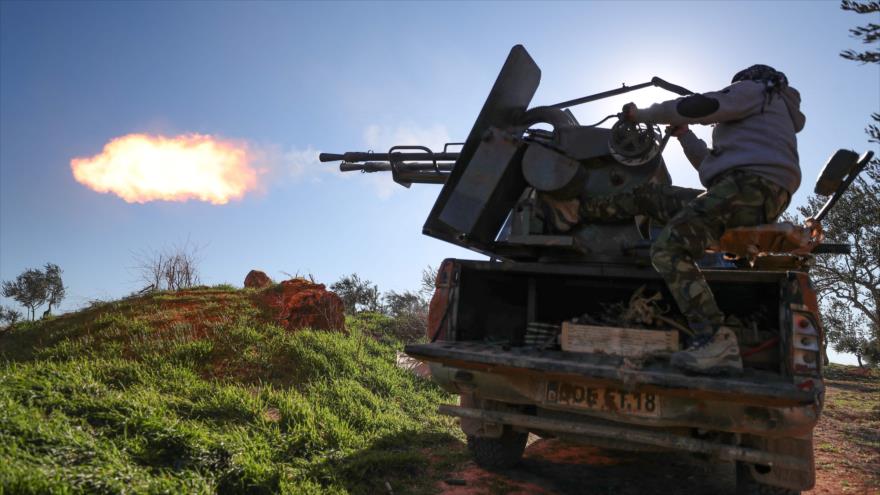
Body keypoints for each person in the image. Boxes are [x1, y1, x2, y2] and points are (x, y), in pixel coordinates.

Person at [557, 65, 806, 374]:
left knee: (668, 249)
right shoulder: (763, 125)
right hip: (745, 191)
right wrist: (684, 135)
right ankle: (576, 211)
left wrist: (642, 114)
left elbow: (702, 105)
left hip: (750, 188)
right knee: (650, 197)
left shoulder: (758, 90)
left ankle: (715, 339)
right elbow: (710, 167)